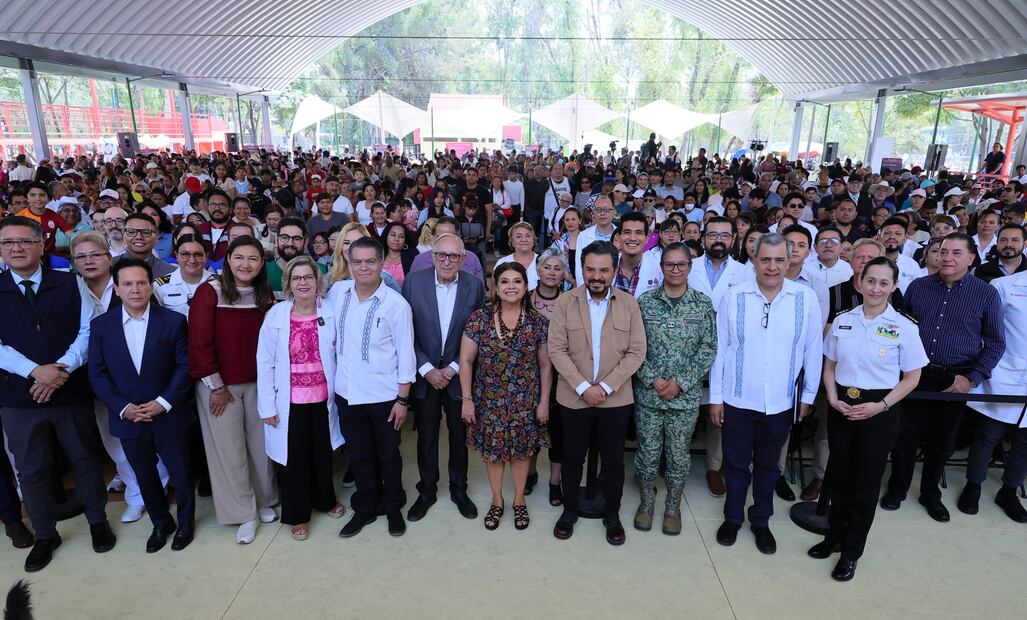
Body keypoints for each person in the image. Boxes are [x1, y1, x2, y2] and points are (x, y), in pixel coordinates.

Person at [0, 216, 115, 573]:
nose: (16, 249)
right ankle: (46, 534)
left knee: (84, 458)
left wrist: (59, 370)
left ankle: (98, 520)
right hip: (20, 397)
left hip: (69, 391)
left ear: (40, 245)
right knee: (31, 470)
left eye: (24, 241)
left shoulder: (70, 283)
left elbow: (88, 330)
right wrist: (35, 371)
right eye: (7, 243)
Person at [812, 257, 927, 581]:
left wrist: (883, 405)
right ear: (859, 283)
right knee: (838, 476)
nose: (876, 288)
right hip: (842, 407)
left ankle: (851, 551)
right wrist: (832, 397)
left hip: (879, 412)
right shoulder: (842, 320)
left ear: (894, 286)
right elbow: (830, 365)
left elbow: (912, 377)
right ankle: (833, 537)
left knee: (865, 484)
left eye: (883, 282)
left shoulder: (905, 326)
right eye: (870, 281)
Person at [708, 233, 822, 554]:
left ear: (790, 261)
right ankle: (733, 518)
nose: (772, 267)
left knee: (769, 467)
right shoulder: (735, 296)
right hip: (737, 399)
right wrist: (716, 397)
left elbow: (814, 350)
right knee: (736, 464)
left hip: (782, 402)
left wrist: (808, 397)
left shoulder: (805, 298)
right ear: (754, 260)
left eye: (779, 260)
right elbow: (721, 349)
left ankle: (761, 520)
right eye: (766, 259)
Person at [881, 234, 1005, 522]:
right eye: (943, 252)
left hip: (956, 377)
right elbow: (901, 328)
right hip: (916, 374)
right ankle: (897, 488)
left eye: (956, 253)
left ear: (971, 258)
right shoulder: (918, 287)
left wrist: (971, 378)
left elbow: (996, 342)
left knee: (943, 440)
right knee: (905, 437)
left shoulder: (985, 293)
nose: (947, 258)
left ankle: (930, 493)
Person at [87, 258, 196, 553]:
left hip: (168, 413)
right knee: (143, 474)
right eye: (128, 284)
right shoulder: (101, 326)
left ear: (150, 286)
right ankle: (161, 522)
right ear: (118, 289)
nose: (135, 289)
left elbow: (184, 366)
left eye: (141, 283)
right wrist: (123, 408)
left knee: (181, 472)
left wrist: (163, 402)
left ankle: (186, 522)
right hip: (129, 417)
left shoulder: (173, 321)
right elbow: (97, 373)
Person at [548, 241, 647, 545]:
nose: (597, 275)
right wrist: (582, 387)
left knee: (614, 460)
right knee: (572, 456)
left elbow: (636, 351)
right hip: (573, 398)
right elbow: (556, 349)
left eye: (604, 270)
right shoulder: (566, 302)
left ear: (614, 271)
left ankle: (612, 514)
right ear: (582, 269)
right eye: (590, 269)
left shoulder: (629, 304)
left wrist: (603, 387)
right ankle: (569, 511)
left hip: (614, 399)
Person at [188, 237, 278, 544]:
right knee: (230, 452)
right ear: (228, 260)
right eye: (239, 257)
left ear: (261, 263)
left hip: (259, 385)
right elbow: (199, 343)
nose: (245, 264)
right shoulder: (209, 292)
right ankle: (244, 513)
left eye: (253, 259)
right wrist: (215, 386)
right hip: (220, 388)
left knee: (260, 448)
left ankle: (265, 501)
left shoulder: (264, 293)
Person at [328, 237, 416, 539]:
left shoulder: (396, 305)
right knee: (360, 455)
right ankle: (365, 507)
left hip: (384, 397)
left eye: (370, 261)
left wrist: (402, 401)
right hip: (348, 393)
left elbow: (406, 355)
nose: (363, 267)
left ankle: (392, 505)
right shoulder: (338, 293)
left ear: (381, 264)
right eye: (357, 261)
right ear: (348, 263)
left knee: (388, 455)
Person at [256, 256, 346, 541]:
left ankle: (324, 500)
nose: (303, 282)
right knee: (293, 458)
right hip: (289, 400)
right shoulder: (277, 315)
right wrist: (267, 405)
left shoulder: (329, 312)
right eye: (297, 278)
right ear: (288, 284)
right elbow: (265, 362)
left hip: (322, 397)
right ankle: (297, 514)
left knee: (322, 452)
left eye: (308, 277)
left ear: (318, 282)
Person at [459, 262, 552, 530]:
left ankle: (519, 499)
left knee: (522, 453)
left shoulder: (537, 322)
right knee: (494, 453)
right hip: (489, 400)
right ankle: (497, 500)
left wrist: (544, 401)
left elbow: (546, 365)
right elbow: (465, 361)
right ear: (496, 288)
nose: (511, 286)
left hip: (526, 400)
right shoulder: (480, 319)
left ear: (525, 287)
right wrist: (467, 400)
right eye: (505, 282)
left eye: (517, 281)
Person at [633, 243, 717, 535]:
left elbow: (708, 348)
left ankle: (672, 506)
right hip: (649, 395)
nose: (676, 270)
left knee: (679, 454)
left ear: (690, 268)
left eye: (681, 265)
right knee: (648, 451)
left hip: (684, 398)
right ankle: (646, 503)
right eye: (670, 264)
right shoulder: (644, 302)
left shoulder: (703, 304)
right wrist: (654, 379)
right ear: (662, 267)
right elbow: (634, 348)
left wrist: (680, 382)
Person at [402, 233, 485, 523]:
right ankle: (426, 491)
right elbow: (405, 330)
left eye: (453, 256)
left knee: (459, 436)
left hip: (458, 374)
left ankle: (459, 489)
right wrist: (425, 368)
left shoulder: (474, 286)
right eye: (441, 255)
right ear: (432, 256)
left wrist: (452, 368)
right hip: (425, 375)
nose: (447, 261)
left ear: (463, 259)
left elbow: (475, 331)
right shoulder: (413, 282)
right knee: (426, 436)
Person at [960, 269, 1027, 523]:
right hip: (1005, 373)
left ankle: (1009, 492)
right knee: (988, 434)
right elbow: (987, 329)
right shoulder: (1004, 285)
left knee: (1025, 441)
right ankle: (973, 486)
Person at [687, 216, 748, 497]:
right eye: (712, 235)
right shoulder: (688, 267)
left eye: (725, 235)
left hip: (728, 349)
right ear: (703, 238)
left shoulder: (745, 273)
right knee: (683, 405)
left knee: (719, 408)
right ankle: (674, 459)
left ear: (734, 240)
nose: (718, 240)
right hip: (688, 349)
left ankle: (714, 466)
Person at [528, 248, 569, 505]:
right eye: (547, 267)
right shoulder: (524, 300)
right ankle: (530, 473)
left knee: (559, 431)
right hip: (529, 376)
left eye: (557, 268)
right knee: (531, 428)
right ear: (538, 270)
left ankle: (555, 480)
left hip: (563, 377)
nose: (552, 272)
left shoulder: (571, 300)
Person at [573, 196, 617, 285]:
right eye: (598, 210)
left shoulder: (620, 236)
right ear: (594, 213)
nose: (602, 213)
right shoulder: (583, 236)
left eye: (606, 210)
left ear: (613, 212)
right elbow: (579, 268)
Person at [495, 222, 539, 291]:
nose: (524, 239)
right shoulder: (502, 262)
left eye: (528, 236)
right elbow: (494, 295)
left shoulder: (543, 261)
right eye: (518, 236)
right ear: (511, 241)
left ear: (534, 240)